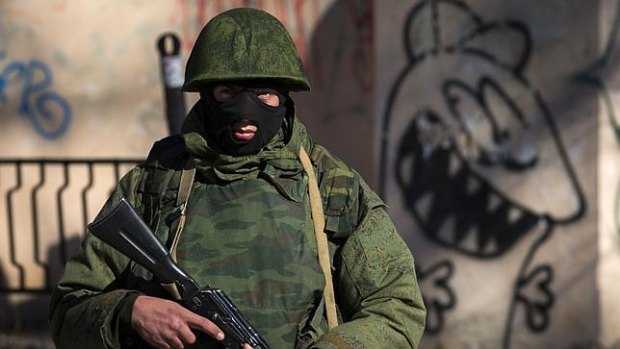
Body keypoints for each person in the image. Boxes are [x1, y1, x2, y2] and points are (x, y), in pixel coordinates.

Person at [49, 7, 426, 349]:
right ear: (206, 94)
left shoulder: (333, 189)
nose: (246, 113)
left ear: (285, 96)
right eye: (228, 92)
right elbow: (69, 312)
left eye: (264, 93)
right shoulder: (154, 184)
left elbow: (396, 309)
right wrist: (131, 311)